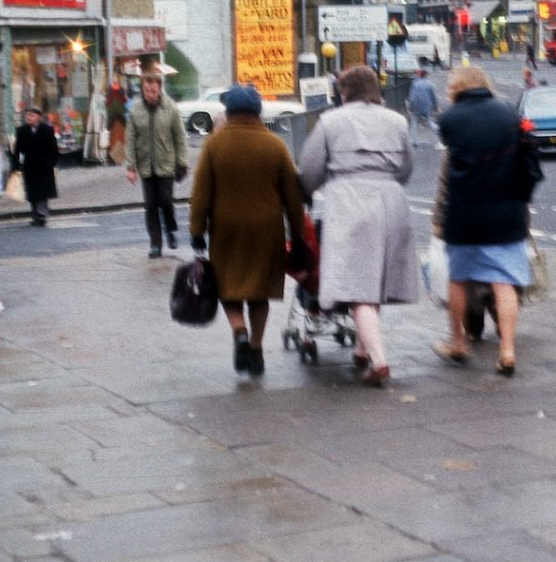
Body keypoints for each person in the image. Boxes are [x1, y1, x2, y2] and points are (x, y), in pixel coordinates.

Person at [299, 65, 418, 387]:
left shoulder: (330, 122)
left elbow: (309, 171)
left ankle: (379, 360)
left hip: (350, 202)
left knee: (357, 289)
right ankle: (361, 351)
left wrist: (310, 190)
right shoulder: (397, 121)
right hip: (392, 202)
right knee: (374, 281)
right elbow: (406, 169)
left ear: (344, 92)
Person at [189, 85, 306, 378]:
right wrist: (298, 235)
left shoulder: (214, 146)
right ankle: (255, 348)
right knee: (259, 293)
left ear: (227, 112)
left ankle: (238, 330)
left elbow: (200, 194)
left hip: (226, 229)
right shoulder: (275, 145)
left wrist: (196, 232)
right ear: (258, 112)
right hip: (267, 229)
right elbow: (293, 197)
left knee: (228, 289)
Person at [432, 66, 530, 377]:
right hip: (508, 213)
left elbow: (451, 160)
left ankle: (459, 342)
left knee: (459, 278)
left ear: (458, 88)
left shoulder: (449, 120)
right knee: (504, 282)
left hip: (465, 213)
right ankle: (508, 350)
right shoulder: (509, 114)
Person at [124, 71, 188, 258]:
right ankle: (155, 243)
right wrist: (130, 167)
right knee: (151, 204)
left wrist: (182, 162)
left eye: (152, 90)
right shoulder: (136, 110)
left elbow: (179, 138)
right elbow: (130, 140)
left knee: (166, 201)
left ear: (159, 89)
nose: (149, 94)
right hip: (146, 166)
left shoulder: (171, 109)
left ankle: (170, 230)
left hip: (166, 164)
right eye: (146, 90)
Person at [12, 106, 59, 227]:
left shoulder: (47, 129)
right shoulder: (22, 130)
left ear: (38, 117)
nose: (28, 118)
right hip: (30, 166)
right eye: (27, 115)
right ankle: (35, 215)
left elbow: (53, 148)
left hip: (44, 166)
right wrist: (16, 166)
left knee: (42, 192)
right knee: (32, 192)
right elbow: (18, 150)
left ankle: (42, 215)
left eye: (31, 115)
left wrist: (52, 162)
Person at [407, 69, 439, 148]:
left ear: (419, 75)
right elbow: (434, 97)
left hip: (416, 106)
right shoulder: (430, 84)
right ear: (426, 75)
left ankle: (414, 141)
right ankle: (440, 132)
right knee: (429, 122)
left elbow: (412, 96)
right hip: (427, 106)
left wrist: (411, 106)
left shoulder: (415, 83)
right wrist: (435, 107)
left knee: (414, 122)